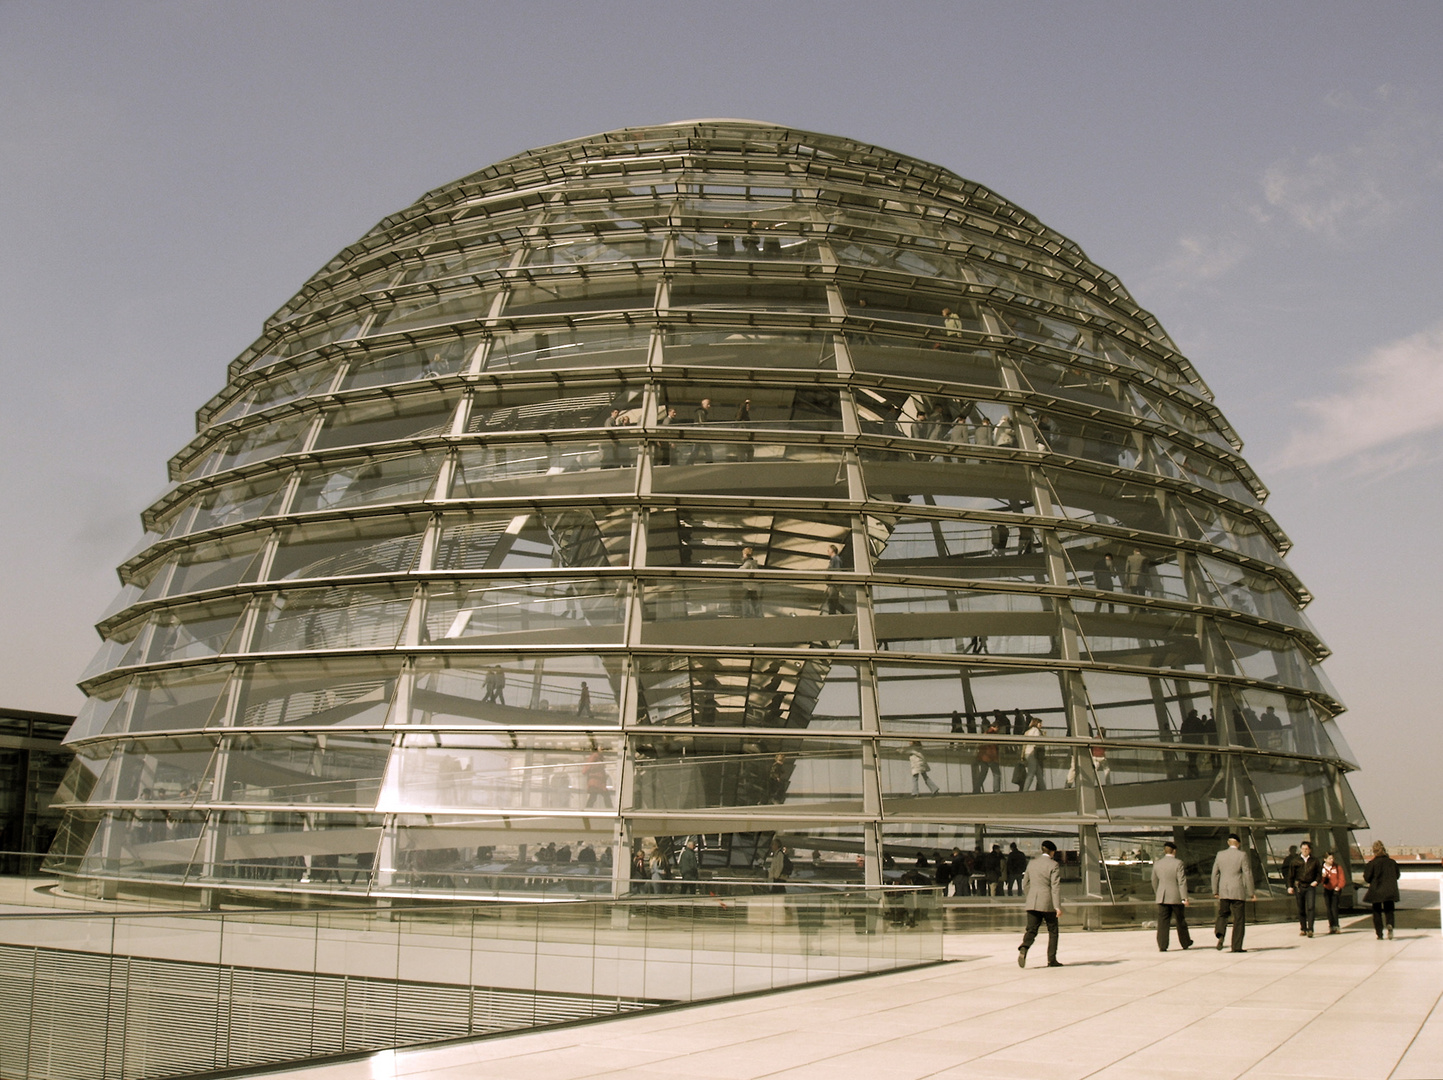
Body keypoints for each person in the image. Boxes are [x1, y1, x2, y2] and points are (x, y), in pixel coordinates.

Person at [1018, 840, 1064, 968]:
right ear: (1052, 851)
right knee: (1053, 930)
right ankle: (1051, 959)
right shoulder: (1053, 864)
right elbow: (1055, 887)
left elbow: (1025, 883)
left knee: (1031, 929)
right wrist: (1057, 906)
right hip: (1047, 902)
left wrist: (1031, 896)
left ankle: (1024, 947)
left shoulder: (1032, 863)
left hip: (1032, 901)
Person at [1211, 833, 1256, 952]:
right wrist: (1251, 892)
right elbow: (1247, 873)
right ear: (1239, 843)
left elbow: (1215, 873)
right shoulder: (1242, 855)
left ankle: (1220, 934)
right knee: (1239, 919)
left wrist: (1215, 890)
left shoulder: (1220, 855)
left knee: (1223, 914)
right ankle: (1236, 946)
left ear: (1228, 842)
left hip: (1224, 890)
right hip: (1238, 891)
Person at [1151, 841, 1193, 951]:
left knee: (1163, 922)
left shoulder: (1157, 863)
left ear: (1165, 851)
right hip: (1175, 896)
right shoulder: (1178, 863)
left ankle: (1162, 945)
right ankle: (1185, 942)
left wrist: (1158, 893)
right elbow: (1181, 881)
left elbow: (1154, 881)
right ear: (1174, 851)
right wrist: (1184, 897)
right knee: (1180, 920)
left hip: (1162, 896)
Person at [1362, 840, 1400, 940]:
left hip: (1376, 890)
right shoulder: (1392, 862)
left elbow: (1367, 877)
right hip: (1389, 890)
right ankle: (1390, 924)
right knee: (1389, 910)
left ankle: (1379, 933)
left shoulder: (1372, 863)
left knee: (1377, 911)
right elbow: (1397, 875)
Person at [1287, 840, 1322, 937]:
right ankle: (1303, 928)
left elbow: (1319, 873)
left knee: (1311, 907)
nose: (1304, 851)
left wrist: (1317, 881)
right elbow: (1291, 875)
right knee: (1301, 908)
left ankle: (1310, 929)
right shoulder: (1295, 861)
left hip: (1310, 886)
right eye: (1303, 849)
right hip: (1299, 886)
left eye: (1306, 849)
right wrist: (1290, 886)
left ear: (1310, 850)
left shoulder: (1314, 861)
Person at [1320, 850, 1346, 935]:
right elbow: (1321, 881)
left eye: (1332, 858)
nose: (1331, 860)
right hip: (1327, 889)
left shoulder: (1337, 867)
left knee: (1334, 908)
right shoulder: (1322, 868)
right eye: (1329, 858)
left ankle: (1336, 926)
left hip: (1335, 890)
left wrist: (1339, 886)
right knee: (1329, 909)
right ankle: (1331, 926)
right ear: (1325, 859)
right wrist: (1323, 877)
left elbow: (1342, 878)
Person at [1022, 716, 1046, 790]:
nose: (1041, 725)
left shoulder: (1029, 731)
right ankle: (1025, 790)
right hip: (1033, 753)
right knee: (1031, 773)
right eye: (1040, 723)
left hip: (1027, 753)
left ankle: (1043, 789)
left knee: (1038, 773)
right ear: (1036, 723)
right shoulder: (1036, 731)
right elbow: (1037, 742)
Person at [978, 723, 1002, 792]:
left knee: (982, 774)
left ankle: (976, 789)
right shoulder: (992, 733)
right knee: (996, 774)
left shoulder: (986, 733)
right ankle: (996, 789)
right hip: (991, 757)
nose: (999, 730)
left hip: (983, 757)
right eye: (998, 728)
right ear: (995, 727)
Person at [738, 546, 761, 617]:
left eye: (743, 554)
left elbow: (741, 570)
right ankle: (758, 615)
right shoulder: (754, 563)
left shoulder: (748, 563)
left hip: (748, 586)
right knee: (754, 602)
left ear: (745, 555)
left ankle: (745, 615)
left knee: (745, 600)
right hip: (754, 586)